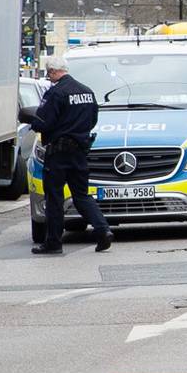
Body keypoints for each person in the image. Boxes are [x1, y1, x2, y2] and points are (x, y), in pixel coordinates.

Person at [27, 50, 113, 255]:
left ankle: (53, 243)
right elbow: (93, 119)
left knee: (54, 198)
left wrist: (33, 122)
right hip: (80, 152)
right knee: (82, 195)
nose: (49, 78)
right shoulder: (87, 91)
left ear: (53, 71)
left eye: (49, 74)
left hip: (58, 154)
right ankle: (103, 230)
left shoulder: (56, 93)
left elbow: (44, 122)